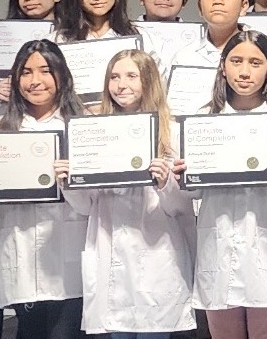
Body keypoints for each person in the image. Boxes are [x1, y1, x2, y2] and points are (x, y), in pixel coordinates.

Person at [179, 30, 267, 339]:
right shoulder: (201, 121)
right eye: (236, 61)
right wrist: (184, 176)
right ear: (223, 66)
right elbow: (190, 190)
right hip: (216, 245)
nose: (244, 71)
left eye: (255, 63)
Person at [67, 49, 196, 338]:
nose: (120, 84)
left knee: (155, 330)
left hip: (157, 251)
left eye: (130, 76)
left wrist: (165, 184)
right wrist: (68, 182)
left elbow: (181, 206)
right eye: (114, 77)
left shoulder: (171, 134)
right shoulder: (94, 133)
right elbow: (85, 206)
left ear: (148, 81)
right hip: (109, 250)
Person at [0, 41, 87, 338]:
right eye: (26, 72)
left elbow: (94, 204)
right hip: (19, 252)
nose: (35, 81)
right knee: (29, 330)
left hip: (68, 252)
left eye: (45, 71)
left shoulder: (83, 127)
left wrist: (71, 181)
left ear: (62, 76)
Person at [165, 0, 253, 80]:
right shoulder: (184, 57)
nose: (218, 1)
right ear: (199, 7)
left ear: (244, 6)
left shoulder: (261, 50)